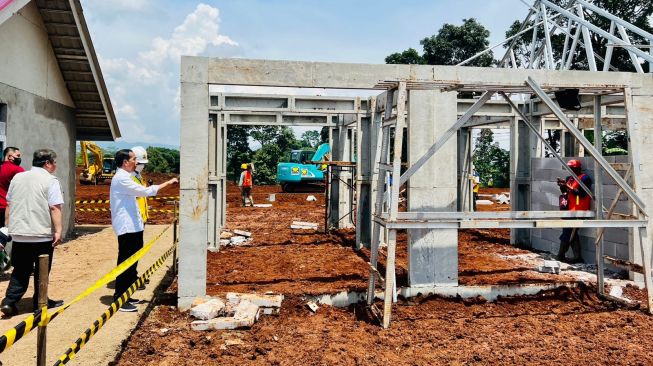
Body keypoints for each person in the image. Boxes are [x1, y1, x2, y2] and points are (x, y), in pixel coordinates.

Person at [110, 149, 177, 312]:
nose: (136, 162)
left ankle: (127, 294)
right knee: (126, 262)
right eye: (134, 159)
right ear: (125, 162)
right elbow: (146, 192)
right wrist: (167, 183)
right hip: (127, 227)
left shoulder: (128, 177)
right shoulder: (121, 179)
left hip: (133, 226)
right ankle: (119, 298)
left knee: (132, 262)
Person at [1, 149, 64, 317]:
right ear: (48, 163)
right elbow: (54, 207)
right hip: (41, 233)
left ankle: (9, 301)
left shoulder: (18, 178)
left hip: (20, 233)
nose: (55, 166)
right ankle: (40, 302)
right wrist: (58, 230)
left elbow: (10, 204)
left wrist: (8, 227)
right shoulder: (51, 180)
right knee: (42, 269)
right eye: (54, 162)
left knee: (20, 269)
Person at [556, 159, 592, 263]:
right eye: (570, 168)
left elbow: (582, 194)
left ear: (578, 168)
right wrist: (562, 186)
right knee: (572, 233)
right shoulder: (570, 178)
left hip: (579, 210)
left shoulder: (585, 178)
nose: (571, 170)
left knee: (568, 232)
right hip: (568, 209)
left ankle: (560, 255)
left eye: (573, 168)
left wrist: (567, 186)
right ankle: (578, 257)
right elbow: (565, 192)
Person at [0, 147, 24, 227]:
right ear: (10, 156)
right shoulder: (18, 170)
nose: (19, 158)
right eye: (18, 155)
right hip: (6, 208)